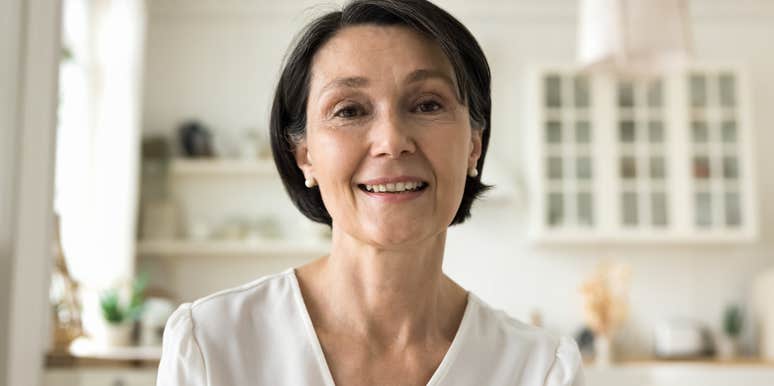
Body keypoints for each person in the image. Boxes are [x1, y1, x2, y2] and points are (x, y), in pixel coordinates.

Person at [156, 1, 584, 385]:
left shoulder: (540, 369)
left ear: (474, 144)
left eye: (427, 104)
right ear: (305, 155)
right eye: (350, 110)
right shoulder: (211, 345)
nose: (391, 140)